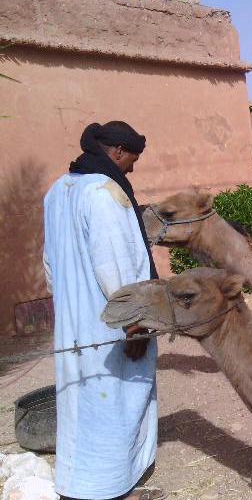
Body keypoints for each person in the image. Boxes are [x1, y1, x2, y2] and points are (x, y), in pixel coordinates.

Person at [43, 121, 163, 500]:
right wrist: (137, 326)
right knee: (115, 401)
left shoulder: (57, 190)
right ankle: (113, 487)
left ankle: (80, 481)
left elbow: (49, 264)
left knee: (82, 403)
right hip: (110, 327)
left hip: (74, 323)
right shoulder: (105, 194)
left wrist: (68, 308)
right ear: (116, 153)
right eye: (132, 159)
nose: (133, 168)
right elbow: (119, 270)